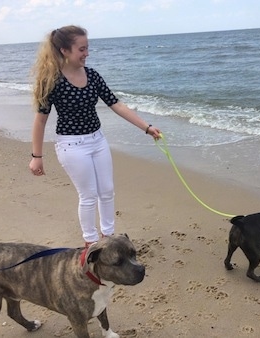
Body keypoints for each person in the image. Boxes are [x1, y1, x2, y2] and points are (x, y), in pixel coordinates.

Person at [29, 25, 161, 247]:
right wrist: (37, 156)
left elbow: (116, 104)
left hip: (97, 140)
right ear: (64, 50)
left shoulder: (92, 75)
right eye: (81, 49)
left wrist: (146, 127)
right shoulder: (52, 80)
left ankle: (108, 238)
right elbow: (40, 119)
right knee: (88, 195)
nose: (86, 53)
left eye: (87, 48)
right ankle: (90, 244)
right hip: (72, 146)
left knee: (107, 191)